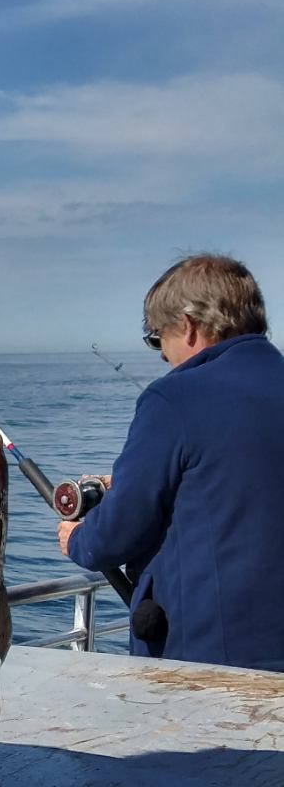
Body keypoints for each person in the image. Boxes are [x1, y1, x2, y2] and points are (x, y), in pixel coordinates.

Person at [57, 255, 284, 670]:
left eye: (156, 336)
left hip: (205, 661)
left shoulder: (173, 398)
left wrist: (76, 537)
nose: (160, 355)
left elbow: (117, 534)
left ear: (189, 325)